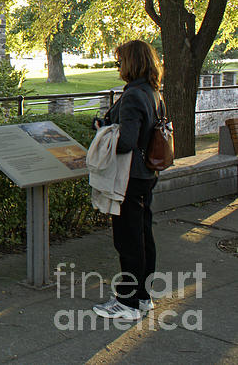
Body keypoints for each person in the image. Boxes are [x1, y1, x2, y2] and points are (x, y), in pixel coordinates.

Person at [92, 39, 163, 321]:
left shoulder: (133, 95)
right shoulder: (152, 91)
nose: (118, 66)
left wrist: (105, 131)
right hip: (147, 173)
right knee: (144, 235)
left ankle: (128, 302)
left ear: (131, 62)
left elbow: (127, 142)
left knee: (128, 239)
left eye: (120, 61)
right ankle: (143, 297)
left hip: (129, 177)